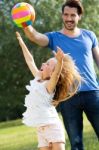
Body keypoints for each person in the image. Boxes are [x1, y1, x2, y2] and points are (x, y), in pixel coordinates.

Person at [21, 0, 99, 149]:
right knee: (76, 143)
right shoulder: (54, 37)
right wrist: (25, 23)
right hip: (68, 96)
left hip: (92, 93)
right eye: (66, 14)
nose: (69, 18)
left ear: (79, 16)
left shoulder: (89, 35)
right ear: (62, 15)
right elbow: (35, 36)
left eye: (73, 15)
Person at [16, 31, 82, 150]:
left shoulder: (49, 86)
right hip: (41, 129)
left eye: (47, 64)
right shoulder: (37, 78)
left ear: (52, 73)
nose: (43, 63)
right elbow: (30, 61)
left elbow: (56, 75)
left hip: (53, 127)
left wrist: (60, 62)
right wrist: (21, 43)